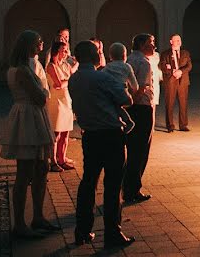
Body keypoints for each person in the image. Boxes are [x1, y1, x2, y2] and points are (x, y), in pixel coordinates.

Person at [70, 40, 135, 249]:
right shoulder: (102, 77)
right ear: (93, 55)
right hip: (110, 134)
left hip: (90, 135)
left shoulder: (74, 79)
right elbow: (126, 99)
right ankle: (112, 233)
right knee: (113, 185)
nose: (101, 54)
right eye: (98, 51)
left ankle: (82, 229)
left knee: (88, 182)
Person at [0, 30, 58, 239]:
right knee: (24, 172)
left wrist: (43, 92)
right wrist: (44, 92)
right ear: (28, 46)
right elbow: (41, 97)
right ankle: (20, 224)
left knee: (41, 167)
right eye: (37, 42)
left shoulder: (27, 66)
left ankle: (39, 216)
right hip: (27, 116)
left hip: (34, 114)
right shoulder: (21, 70)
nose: (40, 45)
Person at [123, 33, 157, 203]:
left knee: (132, 148)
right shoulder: (143, 62)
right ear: (143, 45)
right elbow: (141, 88)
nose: (154, 46)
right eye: (151, 43)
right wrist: (134, 104)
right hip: (141, 108)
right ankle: (132, 189)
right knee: (140, 150)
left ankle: (127, 186)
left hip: (132, 108)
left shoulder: (129, 59)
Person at [46, 40, 76, 171]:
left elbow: (72, 76)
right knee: (56, 133)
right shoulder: (51, 66)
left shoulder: (65, 65)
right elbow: (58, 84)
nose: (66, 53)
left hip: (66, 100)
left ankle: (62, 159)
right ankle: (52, 161)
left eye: (66, 51)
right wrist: (69, 81)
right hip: (56, 101)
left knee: (65, 133)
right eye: (63, 51)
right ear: (56, 52)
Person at [103, 42, 138, 135]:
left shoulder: (108, 67)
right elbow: (135, 86)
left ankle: (123, 122)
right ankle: (127, 121)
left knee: (112, 105)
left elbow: (101, 78)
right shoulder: (127, 67)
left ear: (110, 56)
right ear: (124, 55)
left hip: (112, 94)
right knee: (117, 106)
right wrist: (132, 94)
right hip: (124, 94)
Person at [160, 33, 193, 132]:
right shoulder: (165, 54)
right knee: (169, 104)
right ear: (171, 42)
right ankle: (170, 125)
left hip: (183, 82)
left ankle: (183, 125)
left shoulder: (185, 53)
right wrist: (172, 72)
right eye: (176, 40)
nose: (179, 42)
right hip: (170, 81)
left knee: (183, 104)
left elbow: (189, 66)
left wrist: (180, 71)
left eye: (179, 40)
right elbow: (162, 66)